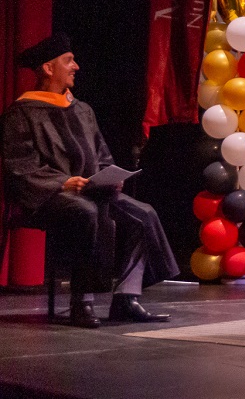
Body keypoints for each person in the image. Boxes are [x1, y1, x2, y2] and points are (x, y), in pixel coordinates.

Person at [1, 34, 178, 327]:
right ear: (47, 68)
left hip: (90, 192)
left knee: (143, 214)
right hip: (47, 197)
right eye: (68, 61)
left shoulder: (82, 109)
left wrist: (109, 177)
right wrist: (64, 182)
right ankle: (81, 301)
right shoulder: (21, 113)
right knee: (87, 212)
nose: (77, 66)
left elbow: (102, 155)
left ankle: (126, 298)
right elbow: (20, 167)